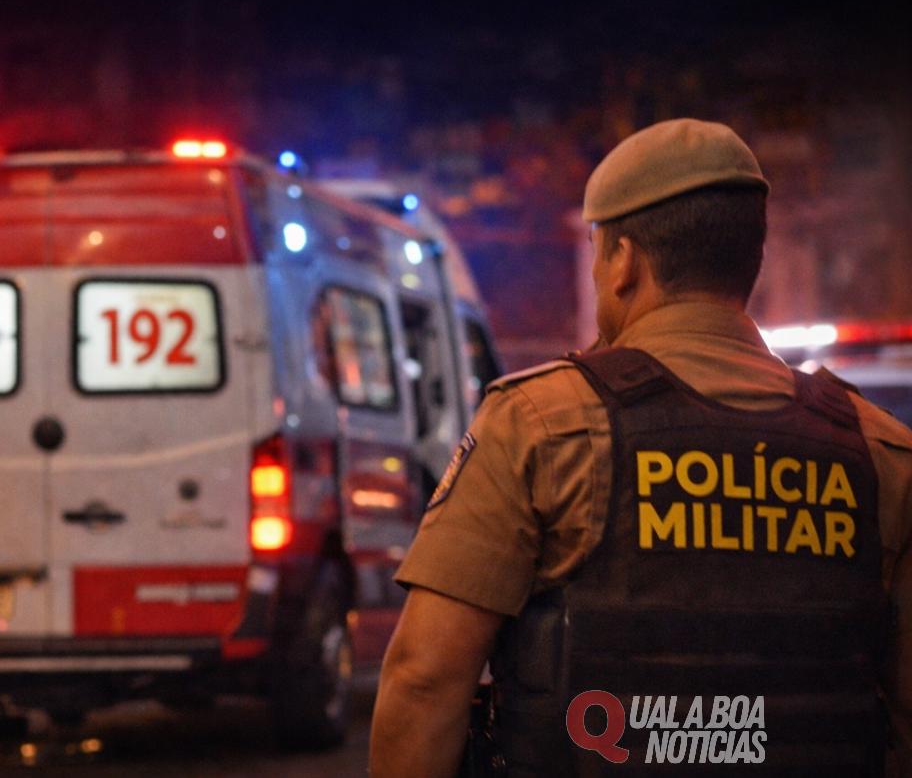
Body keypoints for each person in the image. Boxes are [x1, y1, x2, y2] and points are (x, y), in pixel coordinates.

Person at [370, 119, 912, 776]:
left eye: (598, 253)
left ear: (623, 261)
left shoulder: (539, 424)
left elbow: (426, 677)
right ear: (752, 258)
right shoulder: (881, 452)